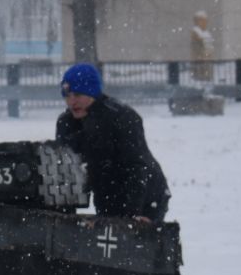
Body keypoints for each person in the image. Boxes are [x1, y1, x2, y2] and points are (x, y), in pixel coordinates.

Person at [55, 63, 170, 220]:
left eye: (78, 95)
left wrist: (134, 214)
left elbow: (137, 167)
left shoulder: (121, 117)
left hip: (147, 194)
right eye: (67, 95)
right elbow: (66, 172)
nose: (72, 101)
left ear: (92, 93)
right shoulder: (66, 123)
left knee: (133, 240)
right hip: (107, 191)